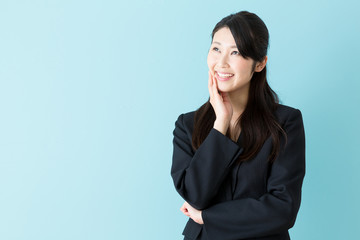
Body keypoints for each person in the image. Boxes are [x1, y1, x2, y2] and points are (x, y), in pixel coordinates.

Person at [170, 10, 306, 240]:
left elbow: (283, 209)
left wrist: (207, 217)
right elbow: (195, 195)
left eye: (236, 52)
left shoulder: (285, 122)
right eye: (216, 49)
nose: (222, 63)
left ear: (260, 64)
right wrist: (220, 124)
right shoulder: (187, 125)